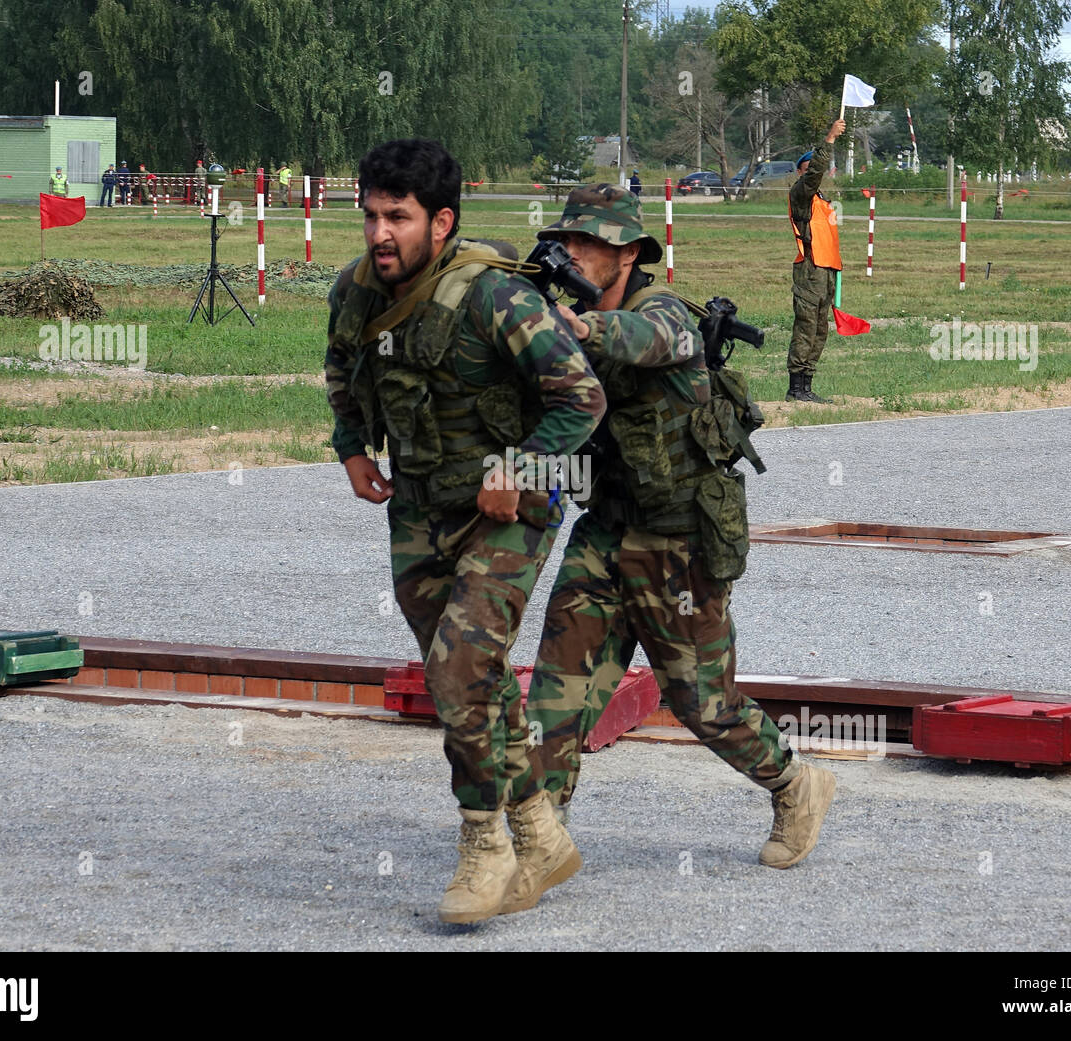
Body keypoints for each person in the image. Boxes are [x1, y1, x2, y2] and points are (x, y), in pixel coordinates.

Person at [517, 184, 837, 900]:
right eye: (565, 243)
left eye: (587, 244)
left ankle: (795, 784)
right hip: (606, 531)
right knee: (555, 694)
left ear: (628, 254)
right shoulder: (562, 319)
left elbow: (654, 342)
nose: (571, 254)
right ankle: (538, 836)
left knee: (704, 703)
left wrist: (578, 329)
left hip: (680, 540)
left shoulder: (658, 311)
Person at [324, 138, 605, 925]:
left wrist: (522, 468)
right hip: (418, 507)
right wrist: (351, 446)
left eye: (399, 218)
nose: (381, 234)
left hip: (510, 513)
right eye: (372, 215)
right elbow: (342, 367)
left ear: (441, 221)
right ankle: (542, 832)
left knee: (457, 668)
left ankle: (484, 845)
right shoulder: (356, 290)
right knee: (468, 679)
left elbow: (580, 399)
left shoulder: (496, 299)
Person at [786, 118, 847, 404]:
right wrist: (830, 138)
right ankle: (795, 388)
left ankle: (807, 385)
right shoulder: (801, 193)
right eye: (808, 169)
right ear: (800, 172)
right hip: (809, 270)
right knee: (806, 328)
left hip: (826, 272)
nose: (814, 173)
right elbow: (815, 173)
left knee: (820, 330)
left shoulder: (823, 201)